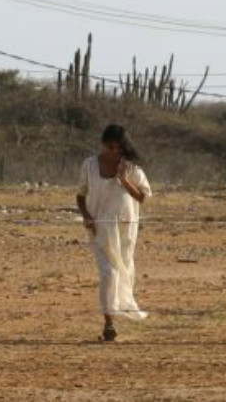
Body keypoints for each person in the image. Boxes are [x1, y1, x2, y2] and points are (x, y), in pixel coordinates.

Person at [76, 124, 152, 342]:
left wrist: (124, 180)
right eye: (110, 147)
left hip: (125, 229)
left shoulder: (132, 169)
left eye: (119, 148)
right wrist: (86, 216)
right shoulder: (90, 166)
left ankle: (119, 309)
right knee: (109, 273)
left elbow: (142, 197)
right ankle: (109, 323)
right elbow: (80, 195)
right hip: (100, 229)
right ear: (103, 145)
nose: (114, 152)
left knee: (123, 270)